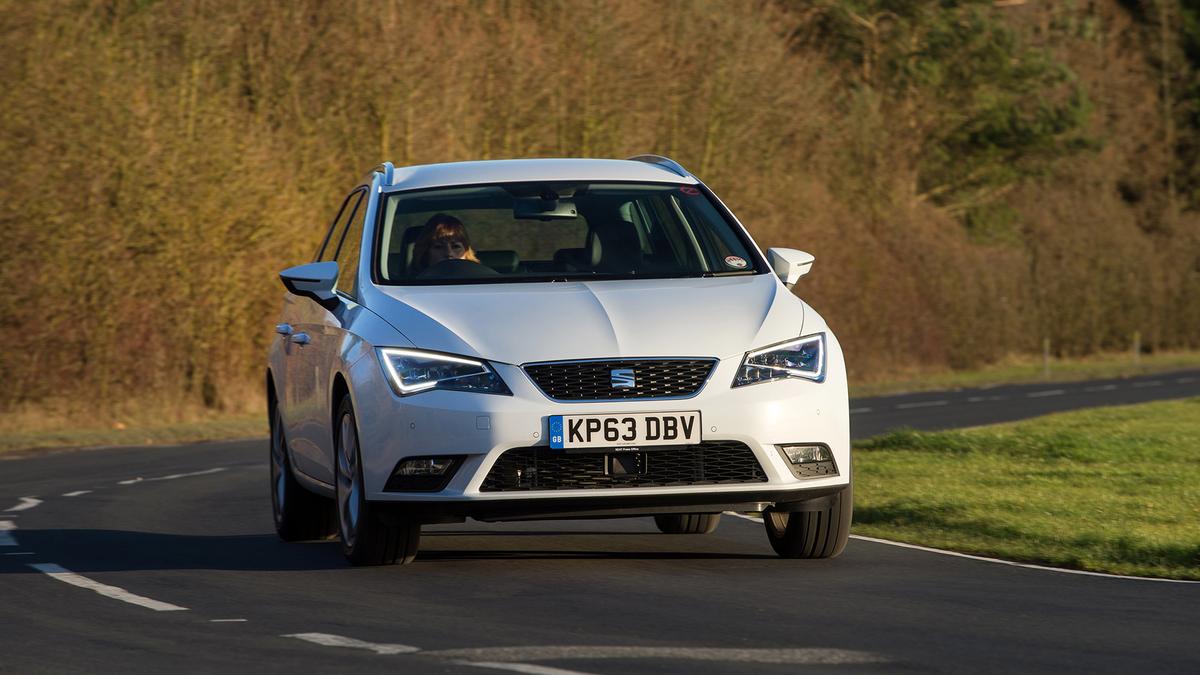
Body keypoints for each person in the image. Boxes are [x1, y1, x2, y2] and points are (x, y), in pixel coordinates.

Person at [411, 213, 482, 273]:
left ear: (466, 253)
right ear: (426, 254)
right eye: (439, 247)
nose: (449, 254)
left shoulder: (482, 284)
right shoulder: (408, 286)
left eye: (456, 247)